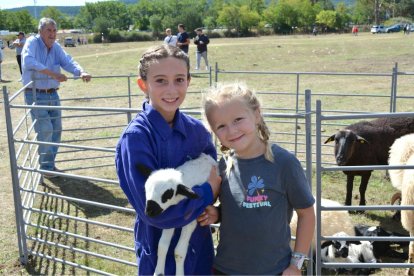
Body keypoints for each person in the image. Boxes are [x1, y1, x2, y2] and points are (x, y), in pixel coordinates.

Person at [115, 44, 221, 275]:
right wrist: (203, 194)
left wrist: (214, 208)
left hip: (198, 245)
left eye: (179, 79)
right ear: (143, 84)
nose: (171, 89)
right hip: (159, 250)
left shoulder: (198, 132)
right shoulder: (136, 139)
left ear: (189, 81)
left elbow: (216, 181)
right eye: (161, 80)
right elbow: (154, 212)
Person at [199, 82, 315, 275]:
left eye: (238, 119)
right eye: (221, 126)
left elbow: (307, 214)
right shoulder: (223, 165)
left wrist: (296, 264)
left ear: (257, 115)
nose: (232, 130)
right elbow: (238, 208)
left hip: (273, 270)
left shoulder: (284, 163)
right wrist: (217, 214)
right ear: (214, 131)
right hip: (225, 270)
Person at [21, 17, 91, 179]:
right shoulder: (32, 43)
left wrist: (81, 72)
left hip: (52, 93)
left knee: (56, 129)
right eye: (48, 30)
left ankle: (49, 165)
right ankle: (46, 167)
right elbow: (28, 61)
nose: (52, 34)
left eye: (54, 31)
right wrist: (53, 73)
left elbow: (67, 61)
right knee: (45, 130)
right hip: (35, 93)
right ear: (40, 32)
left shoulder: (56, 47)